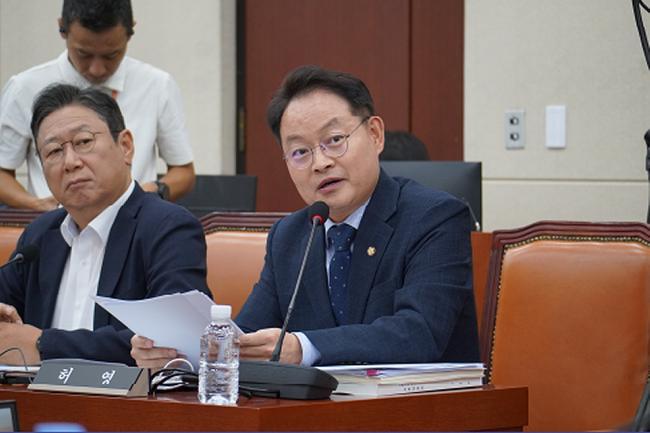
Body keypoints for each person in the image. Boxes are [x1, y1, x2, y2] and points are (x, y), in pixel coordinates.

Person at [131, 65, 479, 367]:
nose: (320, 162)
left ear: (375, 135)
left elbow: (419, 333)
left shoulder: (435, 218)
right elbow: (249, 336)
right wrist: (181, 351)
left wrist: (303, 348)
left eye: (335, 139)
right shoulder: (291, 235)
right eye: (300, 152)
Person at [0, 84, 209, 366]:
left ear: (125, 146)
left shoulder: (168, 228)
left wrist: (42, 344)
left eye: (84, 142)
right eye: (53, 151)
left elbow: (174, 338)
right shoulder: (38, 236)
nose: (70, 162)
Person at [0, 0, 195, 211]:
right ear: (62, 28)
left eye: (111, 55)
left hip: (135, 222)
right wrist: (38, 206)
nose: (97, 69)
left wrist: (150, 192)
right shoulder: (24, 88)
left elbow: (183, 171)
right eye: (84, 54)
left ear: (130, 31)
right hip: (56, 223)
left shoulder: (157, 85)